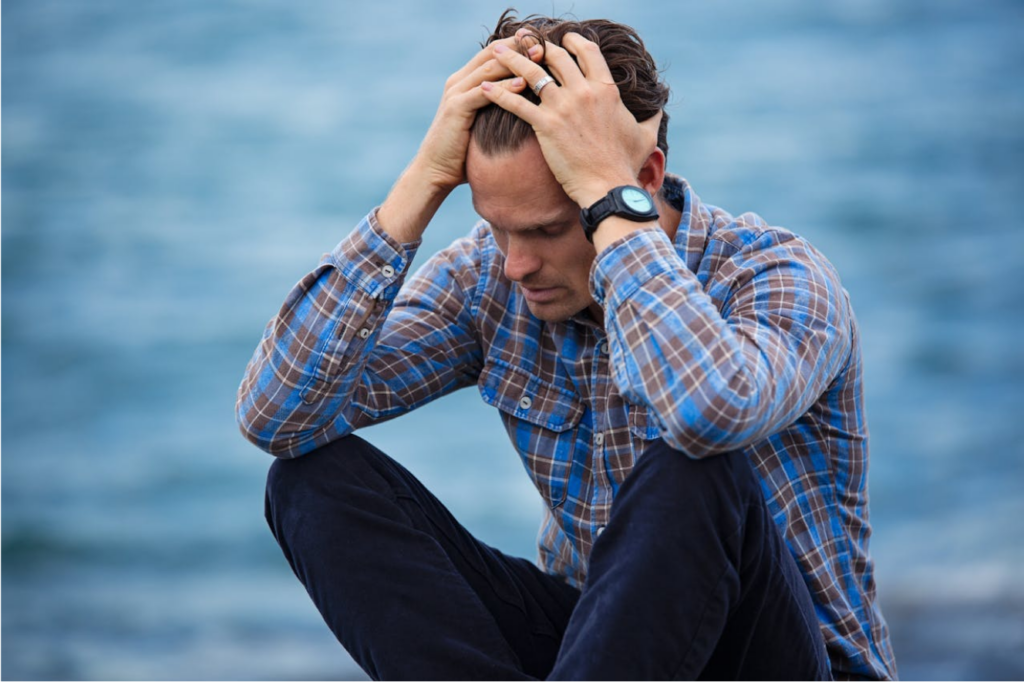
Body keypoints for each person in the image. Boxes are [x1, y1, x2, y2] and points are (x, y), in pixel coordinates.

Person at [236, 10, 898, 682]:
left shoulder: (776, 277)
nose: (517, 264)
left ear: (641, 179)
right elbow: (277, 416)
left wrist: (612, 208)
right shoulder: (491, 280)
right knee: (309, 483)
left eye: (549, 229)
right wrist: (422, 183)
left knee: (695, 465)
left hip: (785, 662)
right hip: (600, 650)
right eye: (498, 228)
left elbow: (707, 412)